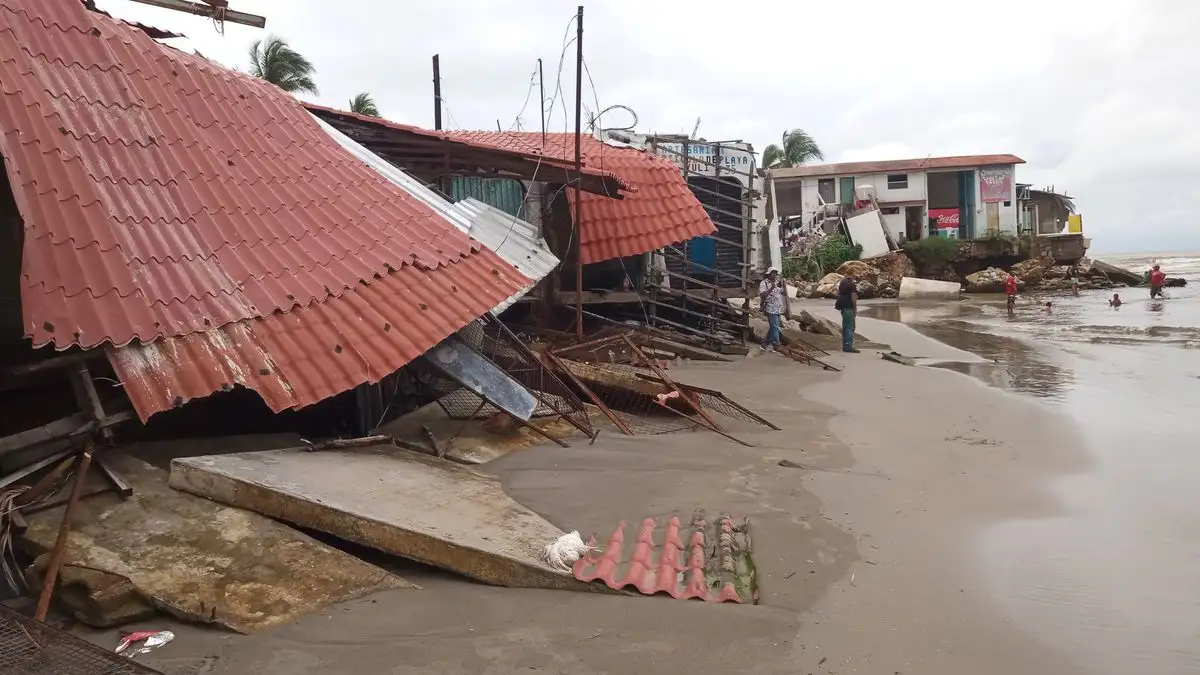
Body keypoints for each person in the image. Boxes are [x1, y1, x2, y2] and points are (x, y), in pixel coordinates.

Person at [758, 267, 790, 351]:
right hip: (769, 308)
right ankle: (777, 345)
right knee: (775, 327)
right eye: (772, 273)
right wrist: (771, 288)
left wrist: (783, 285)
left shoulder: (777, 282)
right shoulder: (763, 283)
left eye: (775, 273)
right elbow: (762, 295)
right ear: (768, 274)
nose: (774, 275)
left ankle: (764, 345)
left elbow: (782, 292)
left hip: (778, 308)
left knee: (773, 327)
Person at [834, 272, 859, 353]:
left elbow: (838, 292)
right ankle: (848, 346)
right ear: (853, 275)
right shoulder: (852, 285)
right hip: (849, 306)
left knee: (845, 326)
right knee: (850, 327)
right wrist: (855, 308)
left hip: (842, 306)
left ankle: (845, 345)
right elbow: (853, 298)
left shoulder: (842, 282)